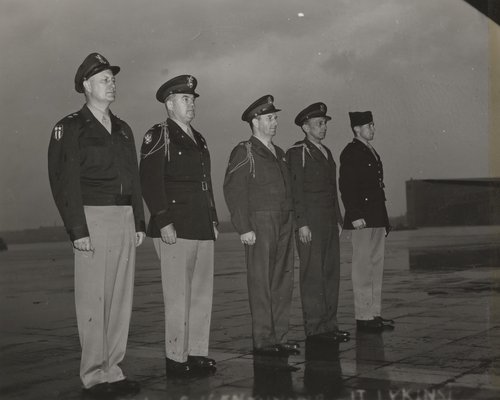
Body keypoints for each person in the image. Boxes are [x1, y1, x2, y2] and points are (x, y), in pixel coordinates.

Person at [47, 52, 145, 397]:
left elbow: (133, 176)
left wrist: (138, 219)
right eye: (104, 79)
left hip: (123, 218)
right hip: (93, 216)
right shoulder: (71, 126)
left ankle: (113, 369)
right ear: (86, 85)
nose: (112, 84)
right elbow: (64, 181)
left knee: (120, 299)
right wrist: (78, 229)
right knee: (94, 300)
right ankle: (93, 375)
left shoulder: (122, 128)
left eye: (113, 79)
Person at [140, 75, 218, 376]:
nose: (192, 104)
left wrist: (212, 218)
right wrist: (163, 220)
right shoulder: (158, 134)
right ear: (169, 103)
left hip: (199, 225)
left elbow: (205, 183)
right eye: (186, 99)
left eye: (193, 99)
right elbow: (149, 180)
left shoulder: (199, 138)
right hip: (174, 226)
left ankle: (196, 352)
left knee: (201, 294)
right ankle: (176, 358)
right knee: (178, 296)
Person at [223, 94, 297, 356]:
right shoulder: (245, 151)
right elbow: (233, 190)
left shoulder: (280, 153)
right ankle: (265, 340)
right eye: (269, 118)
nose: (275, 122)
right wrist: (243, 227)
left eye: (275, 117)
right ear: (255, 122)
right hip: (261, 221)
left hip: (284, 219)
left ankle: (280, 336)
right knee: (261, 282)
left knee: (282, 281)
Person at [286, 102, 350, 344]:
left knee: (330, 273)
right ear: (305, 127)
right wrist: (301, 223)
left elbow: (332, 190)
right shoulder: (297, 152)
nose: (323, 128)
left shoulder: (326, 152)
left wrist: (338, 218)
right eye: (318, 124)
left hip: (328, 222)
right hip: (310, 223)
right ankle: (315, 329)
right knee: (313, 276)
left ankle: (329, 325)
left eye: (325, 124)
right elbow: (296, 190)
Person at [338, 111, 394, 332]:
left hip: (376, 217)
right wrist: (355, 214)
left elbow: (378, 189)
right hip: (362, 218)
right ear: (356, 129)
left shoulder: (371, 151)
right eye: (369, 126)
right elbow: (347, 186)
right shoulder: (351, 152)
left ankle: (374, 314)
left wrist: (385, 220)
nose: (373, 129)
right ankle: (363, 317)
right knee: (363, 268)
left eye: (373, 125)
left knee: (376, 266)